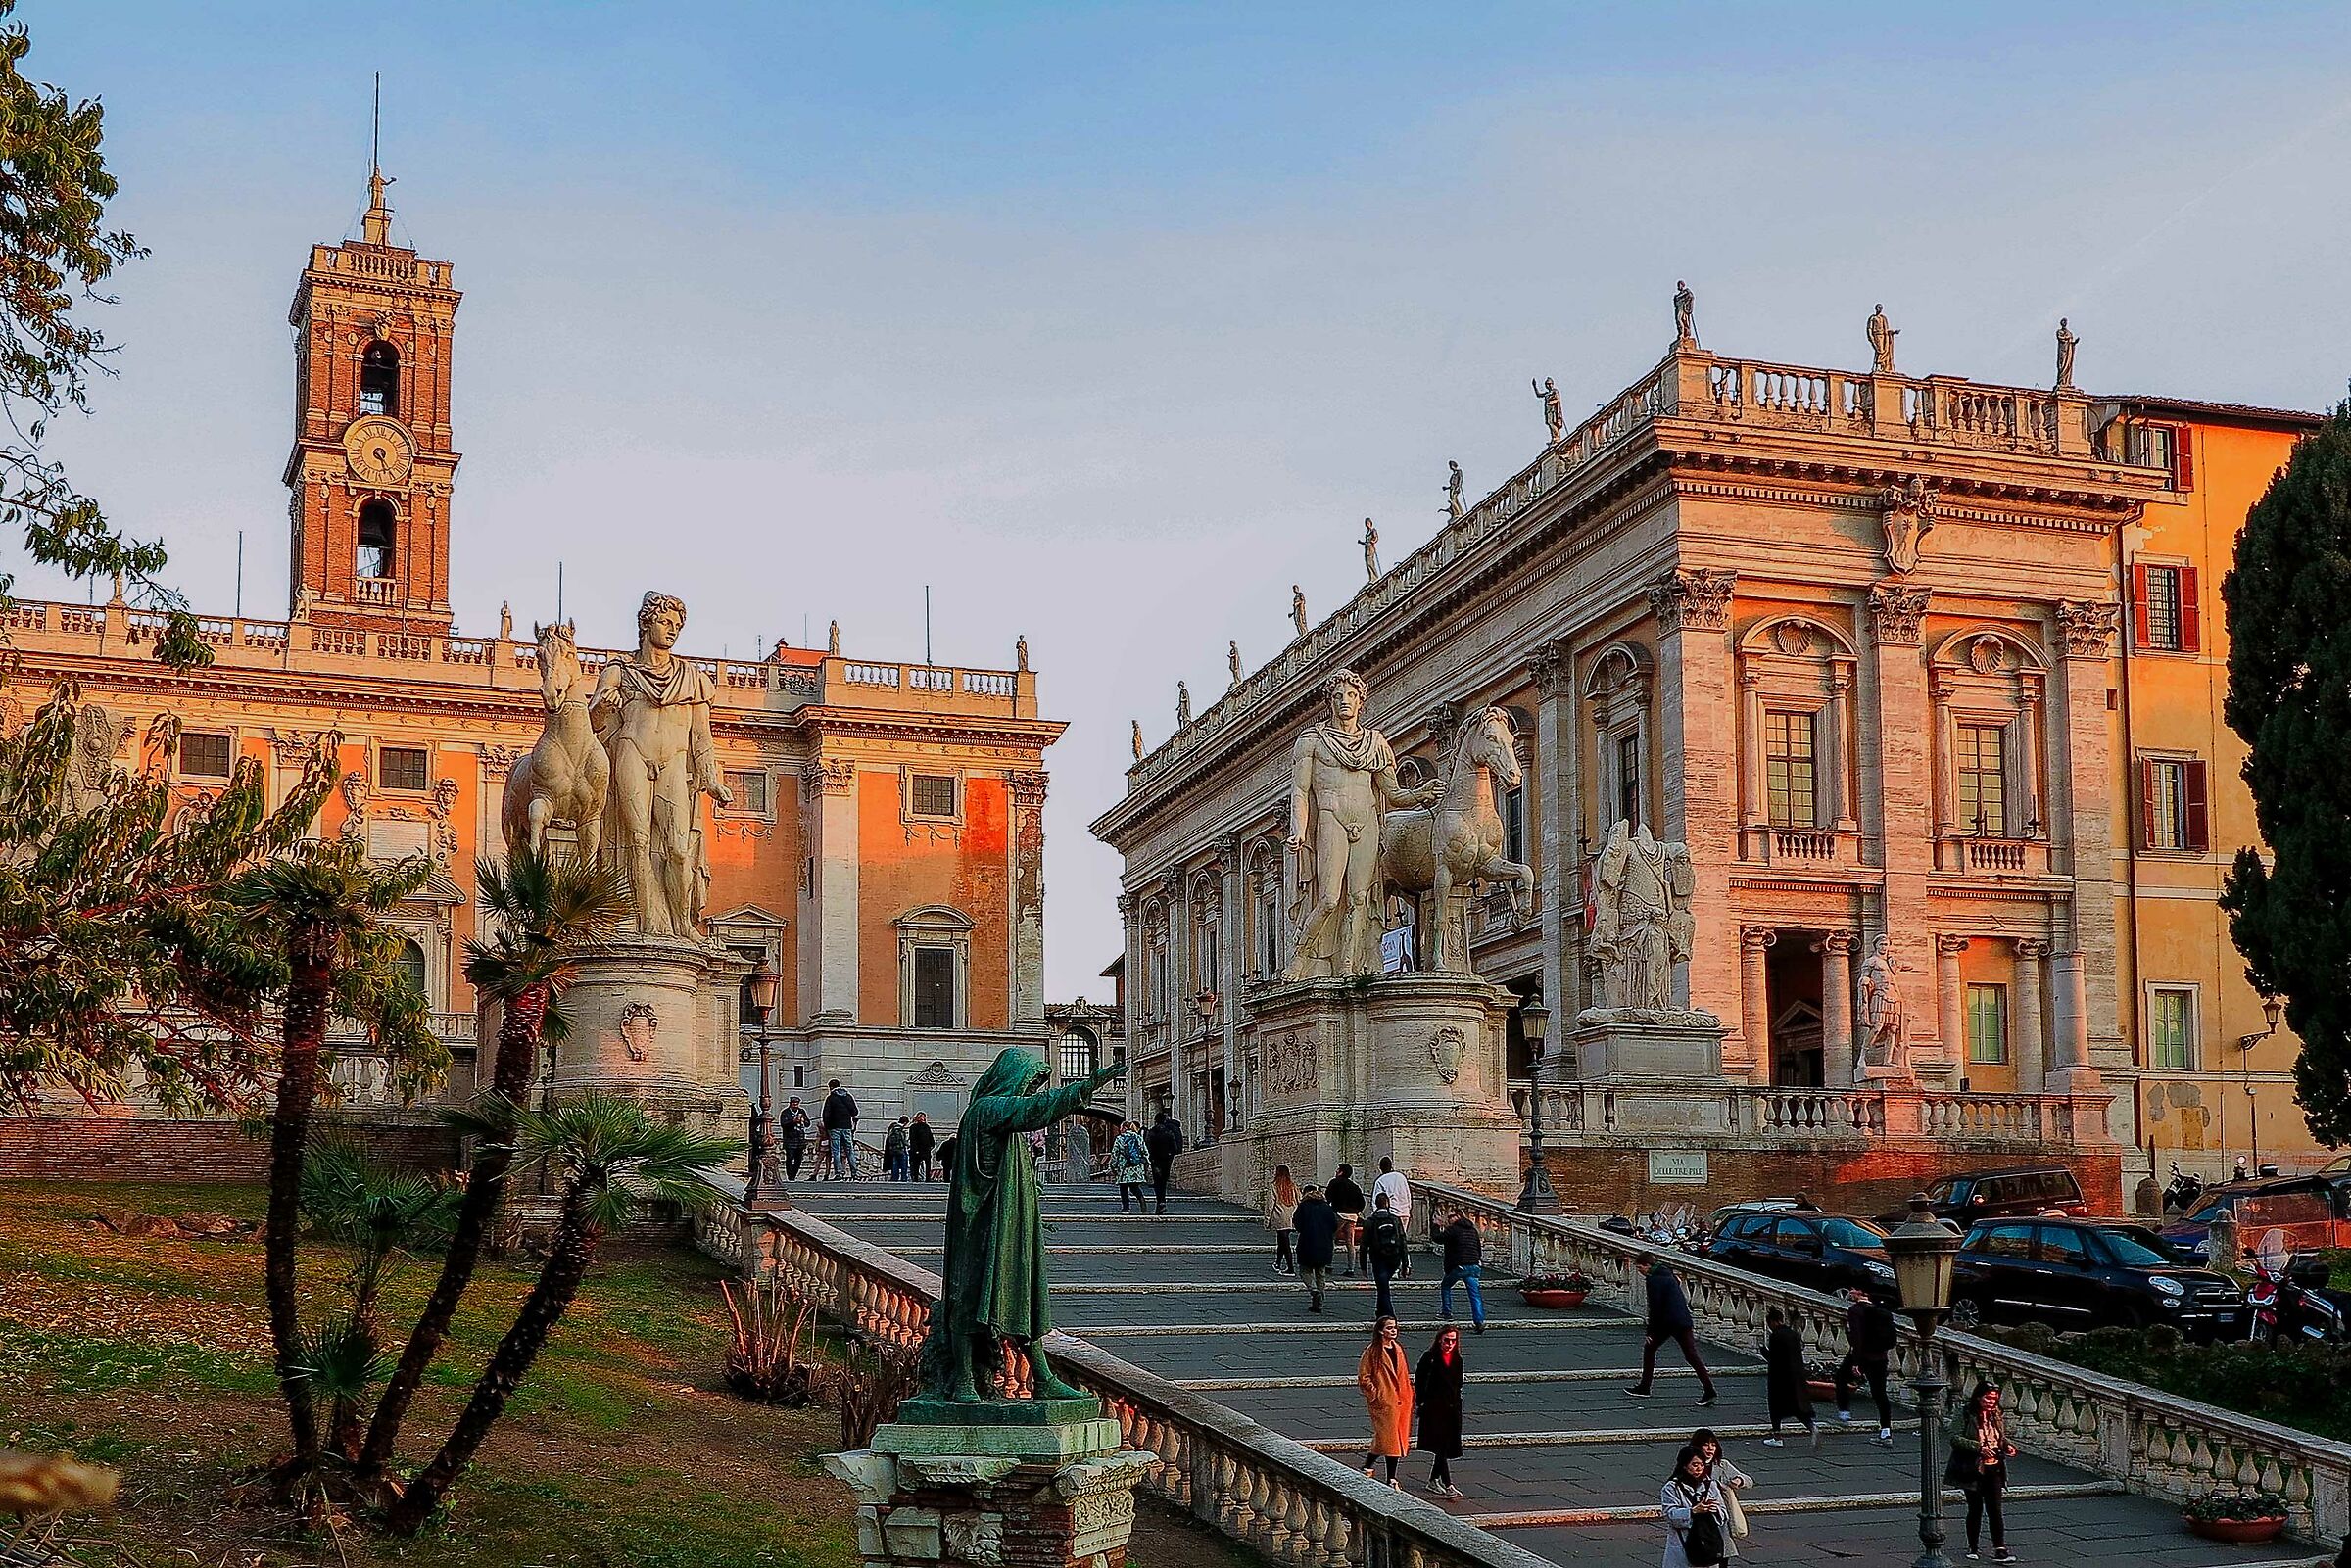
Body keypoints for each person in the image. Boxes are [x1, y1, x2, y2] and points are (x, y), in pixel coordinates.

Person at [1627, 1257, 1719, 1405]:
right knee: (1691, 1356)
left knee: (1649, 1349)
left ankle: (1645, 1387)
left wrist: (1650, 1331)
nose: (1639, 1272)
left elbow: (1655, 1307)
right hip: (1682, 1320)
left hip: (1667, 1322)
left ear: (1648, 1265)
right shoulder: (1669, 1274)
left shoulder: (1653, 1280)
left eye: (1640, 1268)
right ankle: (1709, 1390)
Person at [1945, 1383, 2017, 1563]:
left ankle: (2000, 1548)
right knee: (1975, 1508)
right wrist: (1979, 1448)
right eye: (1988, 1398)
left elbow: (1999, 1436)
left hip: (1995, 1467)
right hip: (1973, 1467)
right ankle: (1973, 1546)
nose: (1991, 1402)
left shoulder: (1995, 1413)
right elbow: (1954, 1438)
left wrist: (2007, 1445)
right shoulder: (1965, 1413)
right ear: (1978, 1397)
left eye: (1994, 1399)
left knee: (1995, 1509)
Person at [1834, 1288, 1897, 1445]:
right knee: (1880, 1394)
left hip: (1862, 1356)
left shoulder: (1855, 1310)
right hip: (1880, 1357)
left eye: (1854, 1290)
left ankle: (1844, 1412)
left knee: (1841, 1377)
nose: (1851, 1292)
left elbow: (1857, 1337)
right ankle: (1886, 1431)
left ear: (1862, 1293)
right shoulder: (1879, 1310)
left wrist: (1857, 1362)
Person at [1356, 1315, 1414, 1490]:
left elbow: (1402, 1374)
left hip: (1400, 1400)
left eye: (1394, 1327)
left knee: (1386, 1439)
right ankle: (1391, 1478)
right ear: (1381, 1331)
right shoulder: (1373, 1351)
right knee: (1391, 1439)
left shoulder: (1397, 1348)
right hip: (1385, 1401)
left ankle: (1367, 1466)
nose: (1393, 1330)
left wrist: (1409, 1394)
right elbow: (1364, 1376)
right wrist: (1376, 1394)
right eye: (1389, 1328)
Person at [1415, 1324, 1466, 1499]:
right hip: (1434, 1408)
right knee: (1440, 1445)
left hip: (1452, 1408)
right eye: (1447, 1340)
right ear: (1439, 1340)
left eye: (1453, 1341)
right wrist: (1421, 1402)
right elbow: (1420, 1381)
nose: (1449, 1344)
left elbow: (1458, 1384)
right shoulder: (1430, 1358)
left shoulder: (1457, 1359)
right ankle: (1448, 1484)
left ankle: (1433, 1480)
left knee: (1443, 1446)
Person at [1660, 1444, 1732, 1568]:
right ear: (1684, 1465)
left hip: (1708, 1542)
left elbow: (1724, 1514)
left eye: (1702, 1465)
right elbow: (1669, 1515)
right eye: (1694, 1465)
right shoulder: (1672, 1487)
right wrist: (1692, 1511)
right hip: (1683, 1544)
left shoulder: (1711, 1485)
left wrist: (1714, 1509)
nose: (1699, 1469)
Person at [1760, 1306, 1818, 1448]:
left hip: (1779, 1377)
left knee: (1775, 1407)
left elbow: (1774, 1359)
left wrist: (1764, 1351)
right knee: (1797, 1406)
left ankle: (1777, 1436)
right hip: (1796, 1376)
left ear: (1773, 1322)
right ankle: (1811, 1426)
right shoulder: (1793, 1335)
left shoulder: (1776, 1336)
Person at [1689, 1429, 1752, 1547]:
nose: (1710, 1448)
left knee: (1722, 1551)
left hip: (1719, 1519)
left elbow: (1749, 1481)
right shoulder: (1689, 1466)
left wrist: (1739, 1480)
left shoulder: (1722, 1465)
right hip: (1697, 1517)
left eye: (1713, 1445)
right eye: (1706, 1444)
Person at [1437, 1209, 1486, 1333]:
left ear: (1458, 1217)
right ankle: (1479, 1321)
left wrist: (1436, 1226)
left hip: (1460, 1266)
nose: (1449, 1219)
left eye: (1451, 1217)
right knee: (1475, 1295)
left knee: (1445, 1285)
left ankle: (1446, 1312)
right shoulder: (1473, 1230)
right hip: (1474, 1265)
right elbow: (1478, 1249)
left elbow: (1438, 1238)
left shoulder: (1453, 1229)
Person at [1362, 1191, 1408, 1320]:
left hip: (1378, 1258)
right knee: (1383, 1285)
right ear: (1388, 1204)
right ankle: (1380, 1312)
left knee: (1383, 1287)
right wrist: (1405, 1264)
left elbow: (1364, 1245)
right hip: (1394, 1258)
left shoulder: (1370, 1221)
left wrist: (1363, 1266)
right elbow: (1403, 1242)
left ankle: (1389, 1315)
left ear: (1376, 1204)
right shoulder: (1395, 1219)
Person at [1294, 1182, 1339, 1313]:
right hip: (1325, 1243)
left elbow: (1297, 1224)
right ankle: (1319, 1303)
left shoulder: (1303, 1206)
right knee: (1321, 1274)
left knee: (1304, 1270)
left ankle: (1314, 1290)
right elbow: (1334, 1225)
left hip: (1307, 1242)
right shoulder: (1327, 1207)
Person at [1374, 1158, 1414, 1277]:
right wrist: (1408, 1208)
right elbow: (1408, 1194)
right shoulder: (1401, 1177)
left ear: (1380, 1168)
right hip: (1404, 1212)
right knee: (1402, 1240)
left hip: (1391, 1214)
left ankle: (1395, 1269)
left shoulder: (1380, 1181)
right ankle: (1406, 1265)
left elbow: (1377, 1200)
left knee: (1392, 1242)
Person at [1326, 1164, 1366, 1276]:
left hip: (1339, 1214)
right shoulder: (1355, 1186)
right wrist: (1355, 1211)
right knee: (1350, 1242)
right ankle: (1351, 1269)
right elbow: (1362, 1203)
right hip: (1352, 1216)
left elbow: (1328, 1198)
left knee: (1331, 1238)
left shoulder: (1334, 1182)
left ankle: (1328, 1265)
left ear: (1341, 1172)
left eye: (1338, 1170)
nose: (1336, 1171)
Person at [821, 1078, 859, 1180]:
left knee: (836, 1151)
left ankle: (839, 1173)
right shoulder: (848, 1097)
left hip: (834, 1127)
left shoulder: (831, 1098)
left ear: (830, 1087)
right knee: (850, 1150)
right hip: (847, 1127)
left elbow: (826, 1114)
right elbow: (855, 1112)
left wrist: (827, 1127)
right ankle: (854, 1173)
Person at [1145, 1111, 1182, 1214]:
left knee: (1157, 1182)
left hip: (1155, 1160)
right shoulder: (1168, 1132)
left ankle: (1160, 1202)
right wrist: (1170, 1153)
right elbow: (1175, 1147)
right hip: (1167, 1159)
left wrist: (1150, 1158)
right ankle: (1162, 1201)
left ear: (1155, 1121)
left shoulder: (1151, 1132)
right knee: (1163, 1181)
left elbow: (1148, 1147)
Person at [1266, 1165, 1301, 1276]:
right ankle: (1278, 1263)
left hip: (1280, 1217)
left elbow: (1270, 1205)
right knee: (1282, 1241)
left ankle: (1290, 1268)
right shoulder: (1293, 1186)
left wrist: (1267, 1221)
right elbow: (1299, 1200)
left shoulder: (1274, 1187)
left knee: (1284, 1243)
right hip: (1291, 1217)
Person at [1111, 1121, 1150, 1212]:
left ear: (1124, 1128)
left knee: (1123, 1188)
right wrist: (1145, 1164)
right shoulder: (1138, 1137)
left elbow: (1115, 1154)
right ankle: (1142, 1201)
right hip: (1136, 1167)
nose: (1120, 1129)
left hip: (1124, 1167)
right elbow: (1145, 1152)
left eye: (1121, 1128)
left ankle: (1126, 1208)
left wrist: (1113, 1166)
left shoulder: (1120, 1139)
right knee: (1135, 1187)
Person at [779, 1095, 810, 1182]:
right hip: (790, 1138)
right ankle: (790, 1175)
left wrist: (803, 1120)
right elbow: (783, 1124)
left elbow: (808, 1123)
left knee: (798, 1159)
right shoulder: (785, 1112)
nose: (796, 1105)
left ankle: (794, 1174)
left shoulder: (802, 1111)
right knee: (790, 1157)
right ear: (790, 1104)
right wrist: (793, 1121)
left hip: (800, 1138)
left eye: (797, 1104)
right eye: (794, 1104)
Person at [885, 1116, 911, 1182]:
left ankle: (895, 1178)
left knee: (895, 1164)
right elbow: (902, 1140)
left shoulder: (892, 1128)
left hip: (894, 1149)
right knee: (904, 1165)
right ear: (905, 1122)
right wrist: (908, 1145)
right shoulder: (899, 1129)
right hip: (901, 1149)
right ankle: (904, 1178)